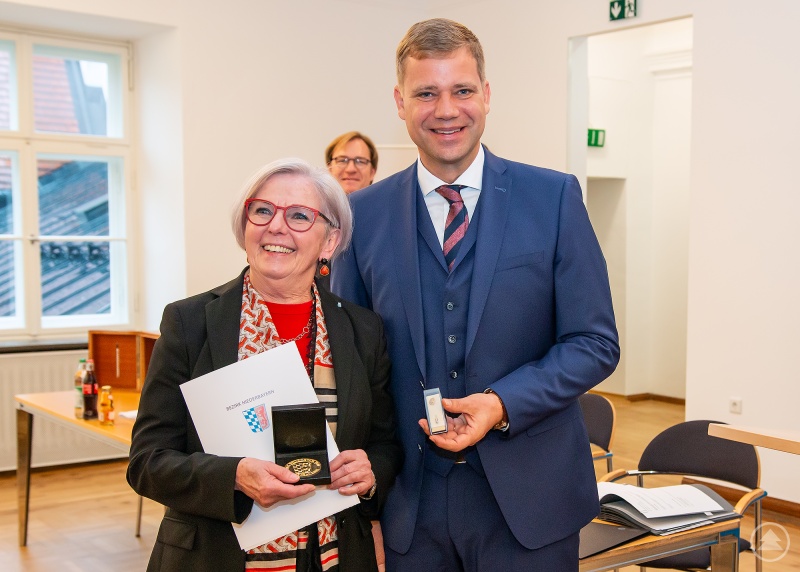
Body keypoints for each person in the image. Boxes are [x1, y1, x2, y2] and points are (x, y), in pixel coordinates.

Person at [332, 18, 619, 571]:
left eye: (461, 90)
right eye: (426, 93)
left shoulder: (553, 198)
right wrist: (363, 506)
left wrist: (504, 403)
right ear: (400, 102)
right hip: (410, 507)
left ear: (486, 95)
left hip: (532, 504)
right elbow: (354, 366)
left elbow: (594, 342)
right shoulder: (361, 216)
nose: (446, 110)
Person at [127, 158, 403, 572]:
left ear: (330, 241)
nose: (276, 226)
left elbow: (385, 444)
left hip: (333, 556)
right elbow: (147, 461)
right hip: (216, 556)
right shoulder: (190, 323)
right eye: (262, 210)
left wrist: (370, 473)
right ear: (245, 226)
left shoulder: (362, 329)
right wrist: (234, 477)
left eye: (299, 216)